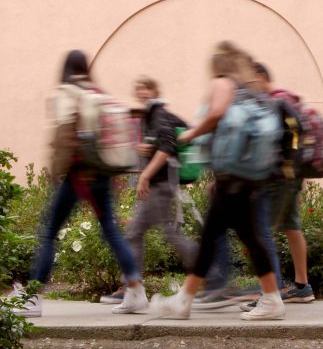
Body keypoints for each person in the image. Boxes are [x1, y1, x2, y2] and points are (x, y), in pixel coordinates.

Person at [149, 41, 285, 321]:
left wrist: (190, 134)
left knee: (214, 237)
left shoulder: (224, 83)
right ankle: (270, 299)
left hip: (232, 178)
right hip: (245, 176)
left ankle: (184, 301)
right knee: (239, 236)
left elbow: (217, 113)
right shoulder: (251, 91)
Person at [10, 50, 148, 317]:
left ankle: (33, 297)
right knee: (110, 230)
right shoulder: (96, 92)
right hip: (101, 172)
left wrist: (53, 172)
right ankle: (136, 291)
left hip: (78, 174)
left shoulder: (67, 93)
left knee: (49, 232)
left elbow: (64, 137)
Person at [100, 76, 198, 305]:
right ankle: (133, 286)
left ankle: (132, 287)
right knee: (154, 233)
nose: (142, 92)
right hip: (160, 185)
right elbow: (162, 144)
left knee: (143, 233)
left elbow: (167, 148)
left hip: (161, 185)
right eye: (139, 89)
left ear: (154, 90)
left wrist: (145, 174)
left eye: (146, 88)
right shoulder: (152, 115)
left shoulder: (159, 114)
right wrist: (149, 148)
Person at [238, 62, 314, 314]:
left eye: (251, 81)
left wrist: (285, 164)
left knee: (261, 231)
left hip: (280, 176)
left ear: (261, 76)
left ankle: (270, 292)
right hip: (289, 175)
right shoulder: (279, 101)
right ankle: (302, 287)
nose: (249, 87)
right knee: (292, 226)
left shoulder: (276, 102)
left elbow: (294, 132)